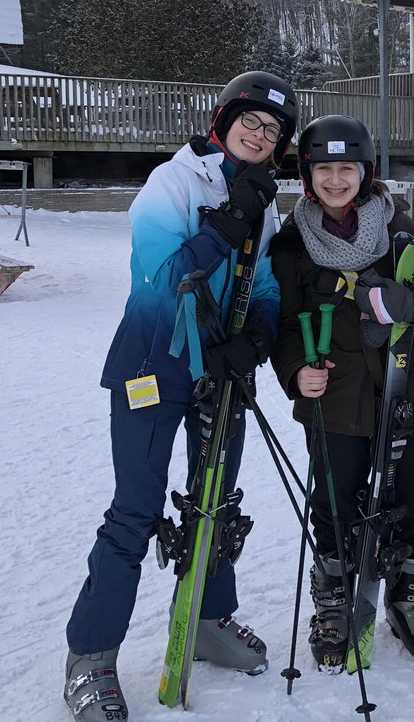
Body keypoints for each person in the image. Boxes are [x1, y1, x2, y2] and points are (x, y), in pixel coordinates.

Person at [62, 71, 298, 722]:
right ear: (223, 121)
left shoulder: (265, 197)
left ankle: (207, 619)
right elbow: (155, 276)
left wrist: (256, 333)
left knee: (215, 503)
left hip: (222, 370)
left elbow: (268, 284)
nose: (258, 135)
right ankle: (89, 655)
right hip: (153, 366)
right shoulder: (175, 180)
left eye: (272, 131)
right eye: (250, 121)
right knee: (135, 512)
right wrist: (226, 225)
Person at [268, 114, 414, 672]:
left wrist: (412, 305)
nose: (335, 180)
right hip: (332, 396)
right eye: (323, 168)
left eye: (346, 168)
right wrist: (297, 370)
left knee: (408, 494)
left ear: (366, 172)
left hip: (402, 390)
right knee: (333, 500)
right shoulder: (292, 241)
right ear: (307, 174)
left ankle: (406, 592)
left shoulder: (398, 230)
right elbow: (282, 322)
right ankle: (334, 599)